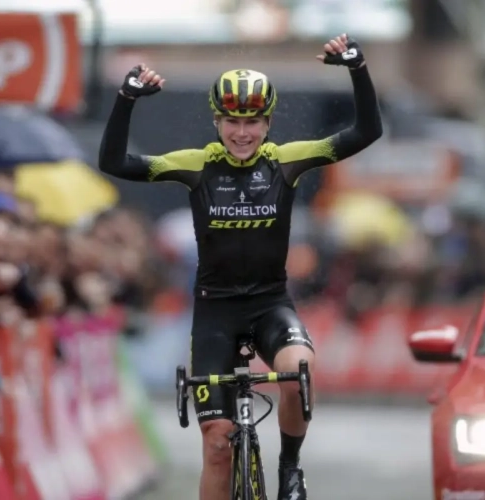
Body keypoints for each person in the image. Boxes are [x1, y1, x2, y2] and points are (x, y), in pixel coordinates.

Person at [98, 33, 382, 500]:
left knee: (299, 372)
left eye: (253, 121)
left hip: (271, 304)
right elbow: (113, 161)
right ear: (217, 119)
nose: (243, 132)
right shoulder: (195, 166)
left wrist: (357, 68)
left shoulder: (287, 162)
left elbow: (365, 132)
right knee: (217, 446)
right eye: (232, 120)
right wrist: (127, 99)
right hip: (215, 314)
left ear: (268, 123)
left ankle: (289, 465)